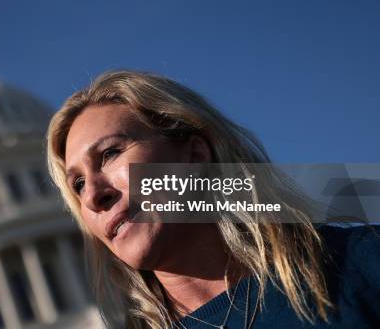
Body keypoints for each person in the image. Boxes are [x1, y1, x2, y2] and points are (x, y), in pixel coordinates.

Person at [46, 70, 380, 329]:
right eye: (77, 184)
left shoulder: (358, 266)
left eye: (111, 153)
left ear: (195, 153)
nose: (92, 195)